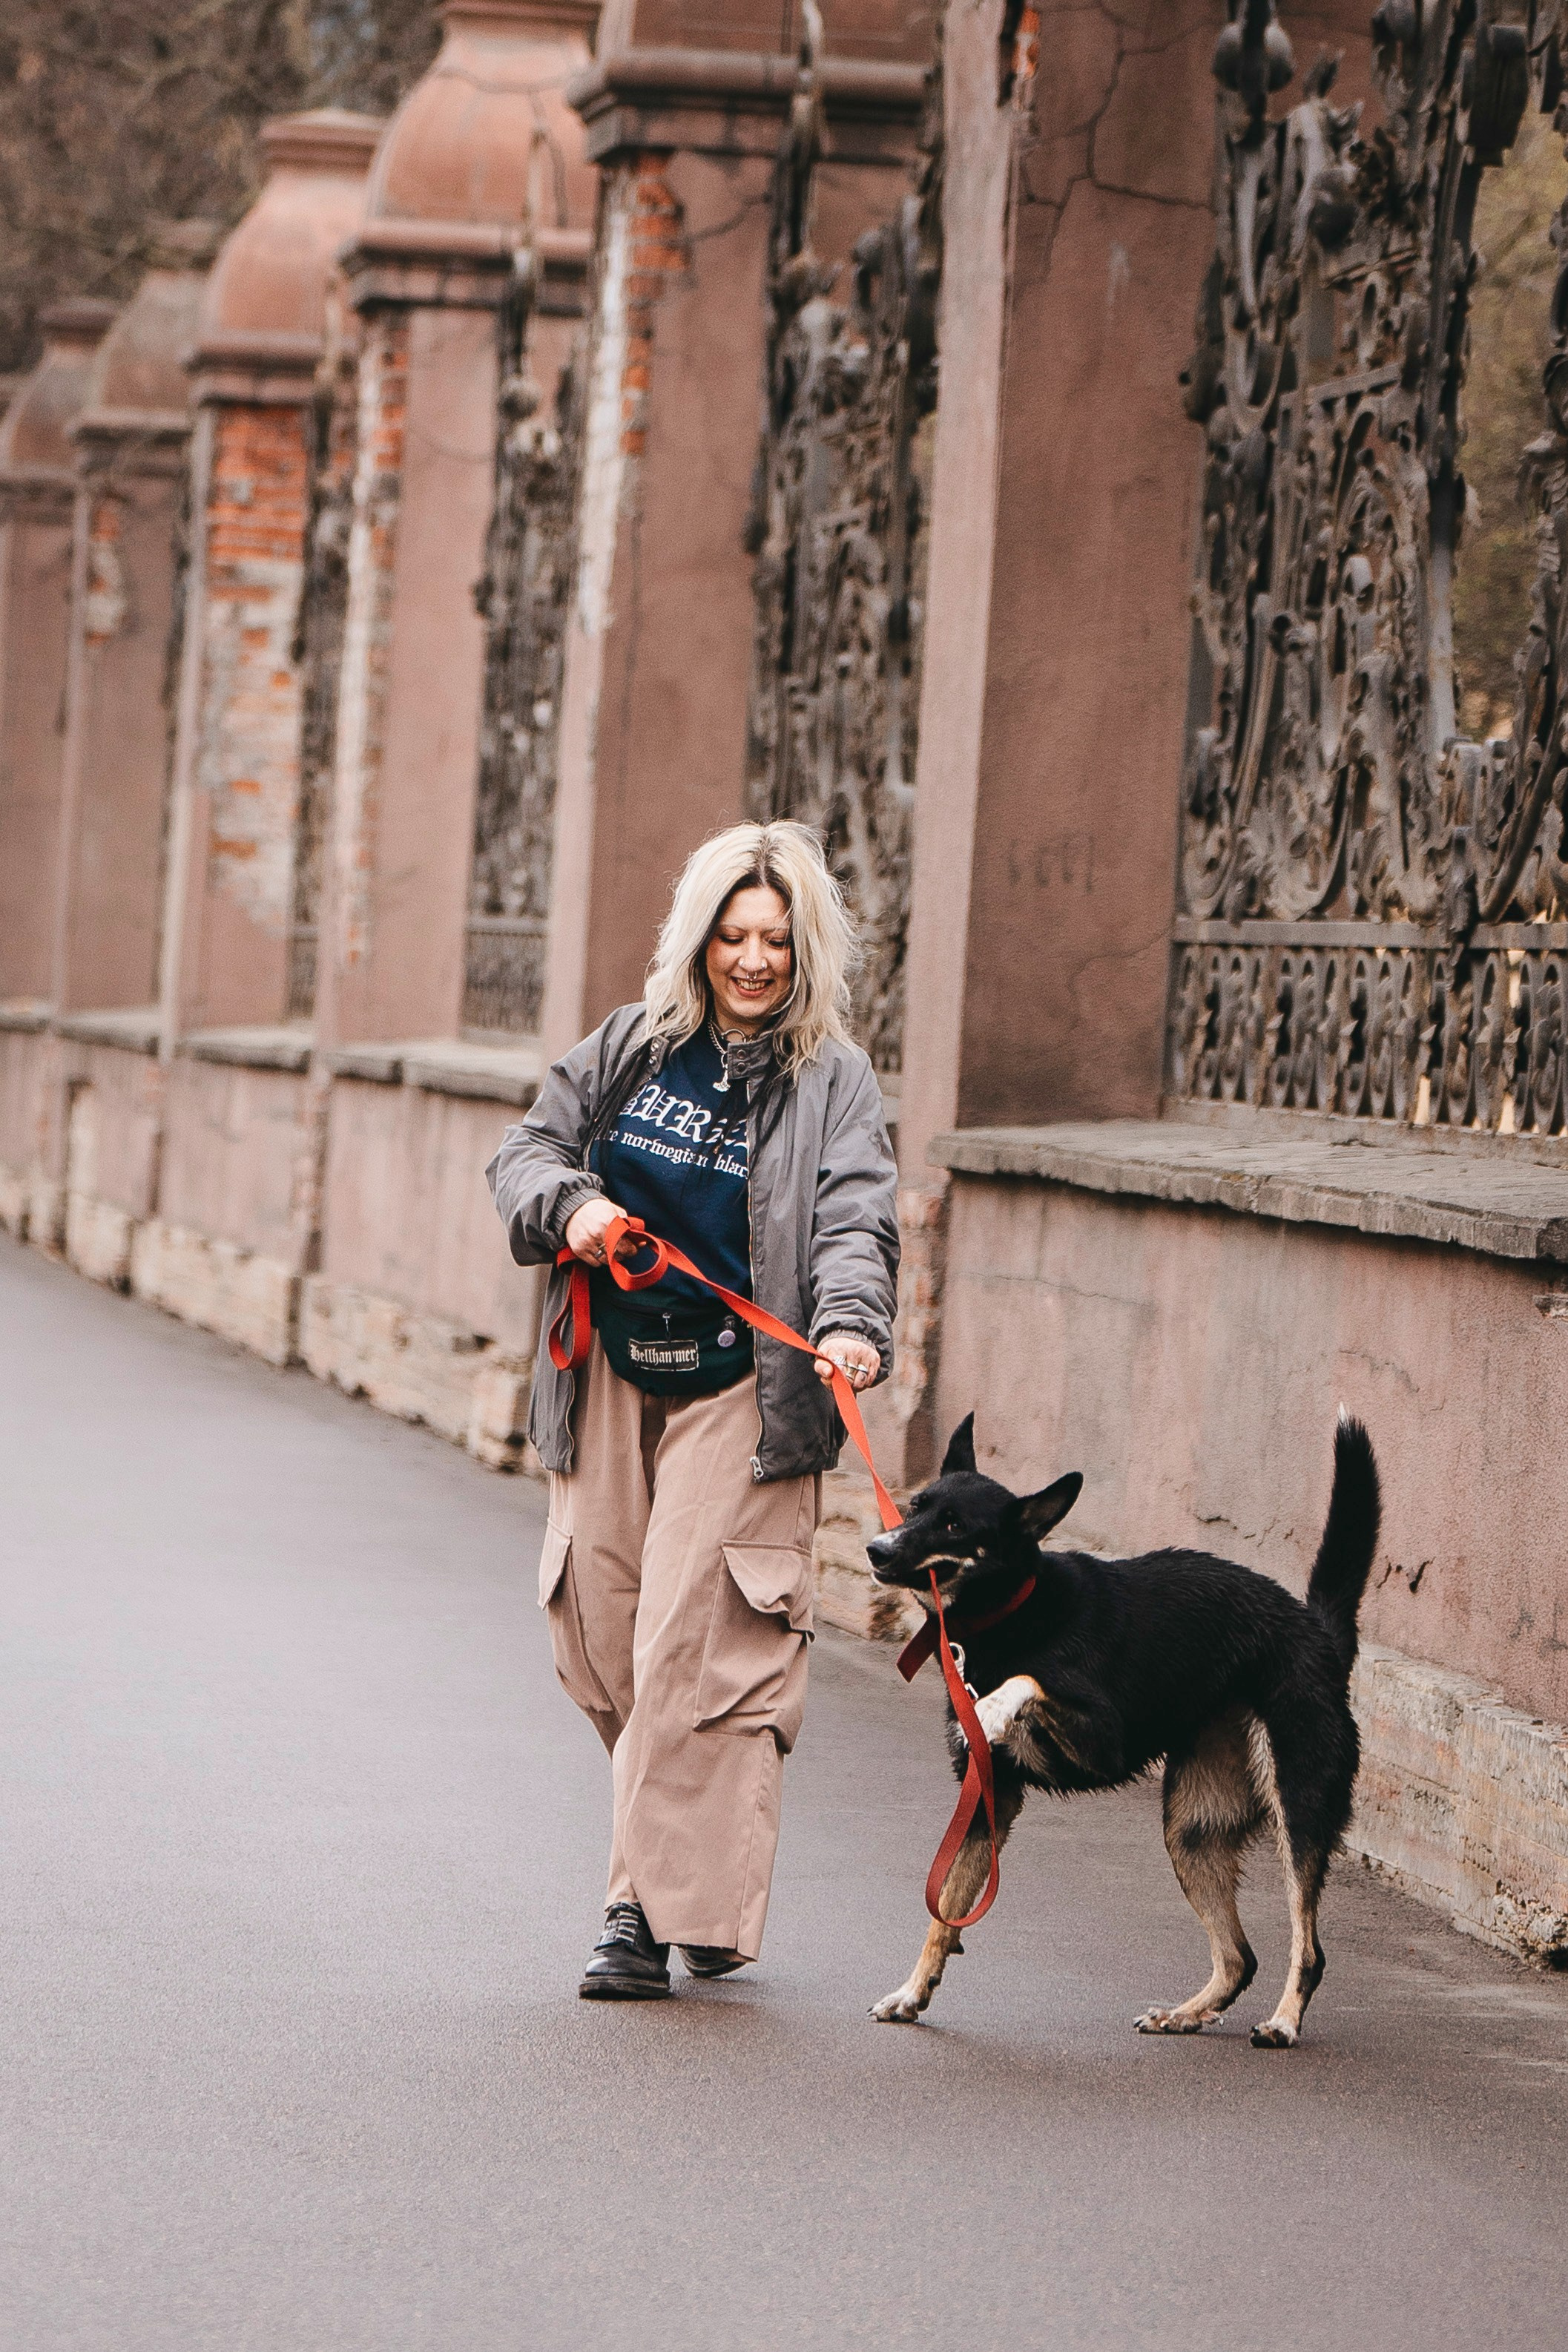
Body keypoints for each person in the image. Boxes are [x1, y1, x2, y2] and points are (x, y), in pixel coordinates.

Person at [487, 821, 899, 1999]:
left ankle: (636, 1912)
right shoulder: (630, 1047)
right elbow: (526, 1149)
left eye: (777, 938)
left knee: (689, 1641)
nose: (755, 959)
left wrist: (852, 1322)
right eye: (735, 934)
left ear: (805, 947)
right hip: (609, 1371)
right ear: (700, 938)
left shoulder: (834, 1078)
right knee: (598, 1634)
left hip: (745, 1389)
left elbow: (853, 1220)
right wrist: (568, 1207)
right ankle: (701, 1877)